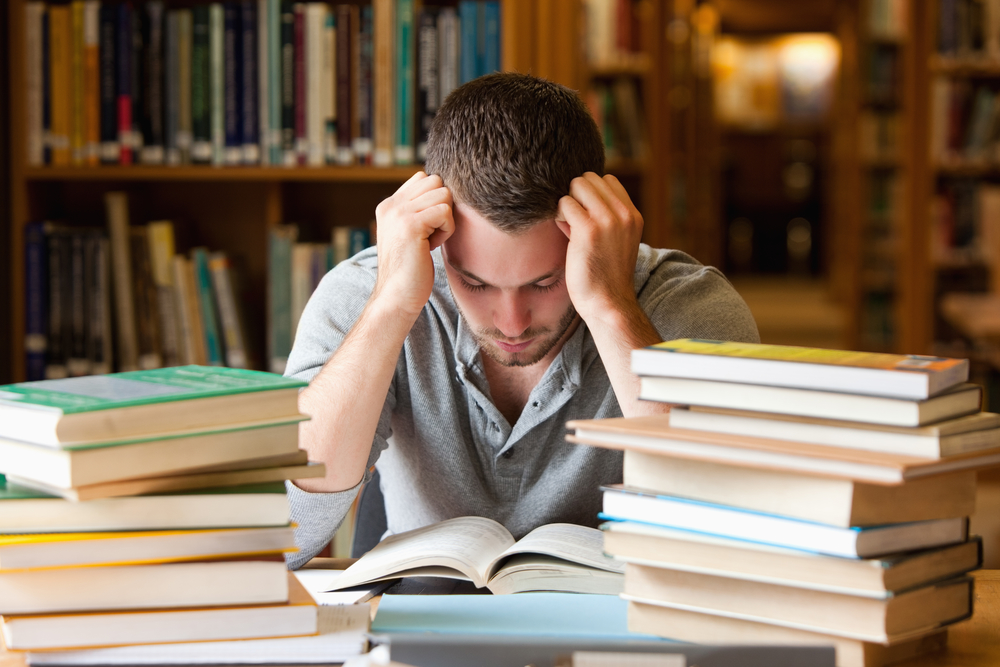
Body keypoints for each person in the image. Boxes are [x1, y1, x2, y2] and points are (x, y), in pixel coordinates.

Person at [284, 72, 759, 568]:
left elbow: (733, 529)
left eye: (544, 282)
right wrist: (390, 308)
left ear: (591, 231)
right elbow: (286, 534)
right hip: (421, 626)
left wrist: (611, 307)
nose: (511, 323)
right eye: (475, 282)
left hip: (619, 628)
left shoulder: (689, 305)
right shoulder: (367, 295)